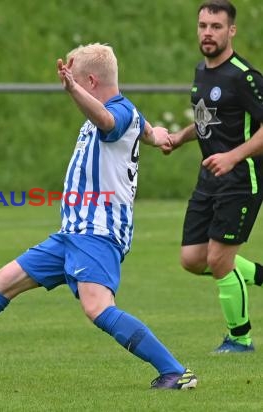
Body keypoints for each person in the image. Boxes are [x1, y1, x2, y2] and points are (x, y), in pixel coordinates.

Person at [0, 44, 198, 390]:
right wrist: (163, 137)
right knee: (2, 282)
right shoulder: (129, 115)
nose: (69, 90)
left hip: (97, 232)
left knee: (97, 307)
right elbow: (148, 131)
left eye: (75, 82)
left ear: (89, 81)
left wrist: (73, 90)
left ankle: (175, 371)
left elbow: (108, 121)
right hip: (72, 233)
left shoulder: (115, 112)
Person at [161, 0, 263, 353]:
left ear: (231, 30)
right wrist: (180, 137)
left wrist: (234, 157)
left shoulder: (244, 76)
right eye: (203, 25)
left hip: (240, 178)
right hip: (210, 180)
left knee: (219, 260)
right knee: (192, 259)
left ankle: (240, 339)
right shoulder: (202, 72)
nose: (208, 32)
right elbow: (209, 119)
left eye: (216, 26)